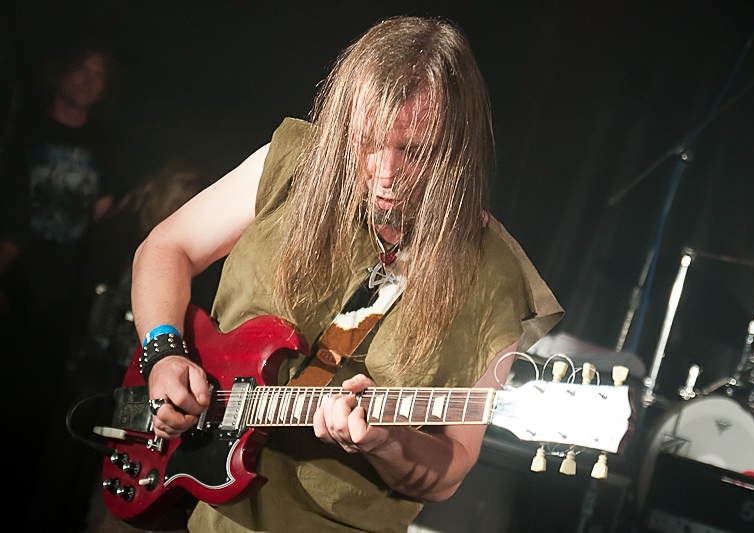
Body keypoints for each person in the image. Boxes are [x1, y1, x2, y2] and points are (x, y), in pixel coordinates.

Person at [116, 16, 563, 533]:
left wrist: (382, 441)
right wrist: (165, 351)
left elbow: (450, 468)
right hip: (200, 509)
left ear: (457, 147)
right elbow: (165, 247)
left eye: (413, 151)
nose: (385, 173)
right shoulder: (295, 165)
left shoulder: (495, 274)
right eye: (367, 142)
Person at [0, 36, 124, 532]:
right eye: (81, 69)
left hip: (64, 298)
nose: (88, 81)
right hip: (14, 280)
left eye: (99, 74)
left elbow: (102, 220)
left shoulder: (105, 145)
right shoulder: (22, 130)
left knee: (37, 413)